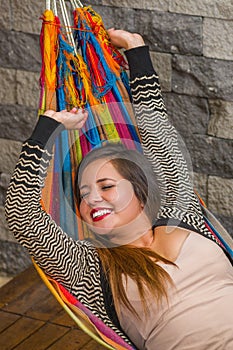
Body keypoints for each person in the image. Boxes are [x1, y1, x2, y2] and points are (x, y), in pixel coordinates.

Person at [5, 29, 233, 350]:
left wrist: (136, 51)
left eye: (106, 186)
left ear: (139, 188)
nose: (91, 198)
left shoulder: (179, 214)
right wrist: (48, 128)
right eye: (83, 194)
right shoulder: (90, 267)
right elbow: (22, 214)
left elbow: (158, 134)